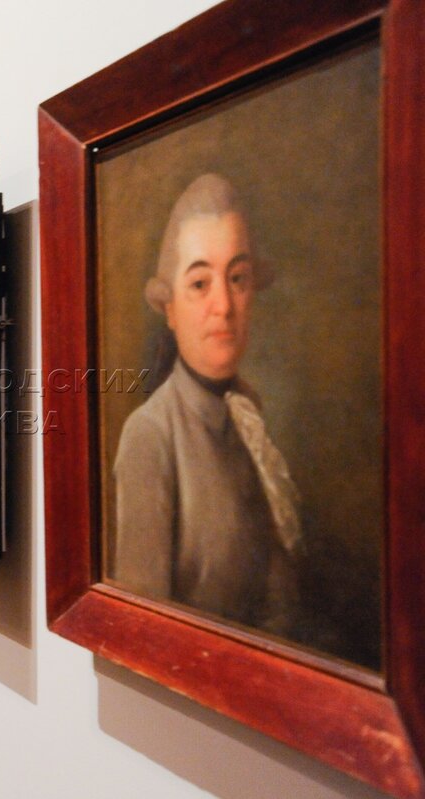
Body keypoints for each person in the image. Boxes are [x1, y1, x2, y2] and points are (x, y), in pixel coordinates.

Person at [112, 174, 301, 637]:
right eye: (199, 283)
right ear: (170, 307)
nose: (224, 305)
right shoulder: (150, 436)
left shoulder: (249, 413)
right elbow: (145, 632)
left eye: (237, 279)